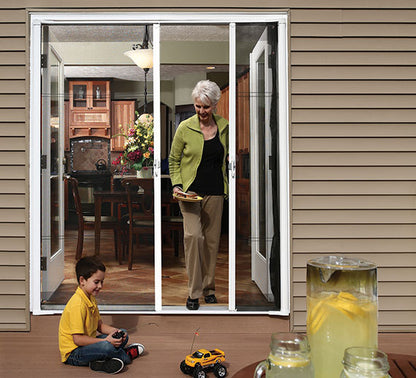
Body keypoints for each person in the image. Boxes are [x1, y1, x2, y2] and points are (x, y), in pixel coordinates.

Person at [169, 80, 229, 311]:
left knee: (211, 243)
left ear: (214, 105)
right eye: (198, 106)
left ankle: (209, 288)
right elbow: (173, 160)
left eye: (206, 107)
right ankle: (194, 292)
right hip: (190, 193)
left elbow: (229, 159)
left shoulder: (224, 126)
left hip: (215, 192)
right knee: (194, 238)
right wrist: (176, 185)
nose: (202, 111)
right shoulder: (184, 127)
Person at [59, 256, 145, 374]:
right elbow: (78, 339)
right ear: (82, 280)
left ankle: (100, 363)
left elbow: (99, 326)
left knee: (123, 334)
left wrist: (115, 331)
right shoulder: (77, 305)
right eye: (96, 282)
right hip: (75, 353)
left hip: (88, 345)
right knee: (107, 347)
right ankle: (126, 356)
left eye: (102, 282)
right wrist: (106, 341)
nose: (100, 286)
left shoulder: (90, 298)